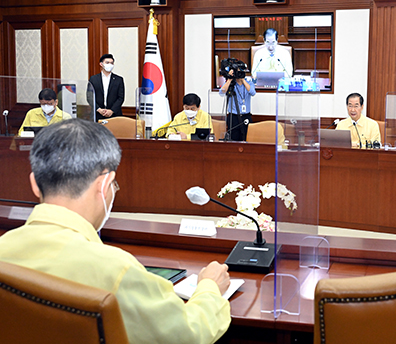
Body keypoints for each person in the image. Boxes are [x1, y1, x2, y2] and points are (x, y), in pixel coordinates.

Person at [0, 119, 231, 343]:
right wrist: (209, 287)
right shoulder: (118, 271)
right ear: (104, 185)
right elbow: (188, 335)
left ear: (34, 183)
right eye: (114, 185)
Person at [219, 65, 256, 141]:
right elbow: (222, 92)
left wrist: (243, 80)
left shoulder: (249, 83)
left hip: (246, 116)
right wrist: (229, 80)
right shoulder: (231, 85)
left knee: (247, 138)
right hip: (233, 117)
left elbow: (252, 92)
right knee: (233, 140)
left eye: (240, 71)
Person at [88, 54, 125, 118]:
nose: (109, 65)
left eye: (111, 63)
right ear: (101, 64)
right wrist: (99, 109)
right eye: (107, 62)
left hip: (114, 114)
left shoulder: (119, 79)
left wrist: (112, 111)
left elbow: (120, 98)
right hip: (97, 114)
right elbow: (89, 96)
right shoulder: (93, 79)